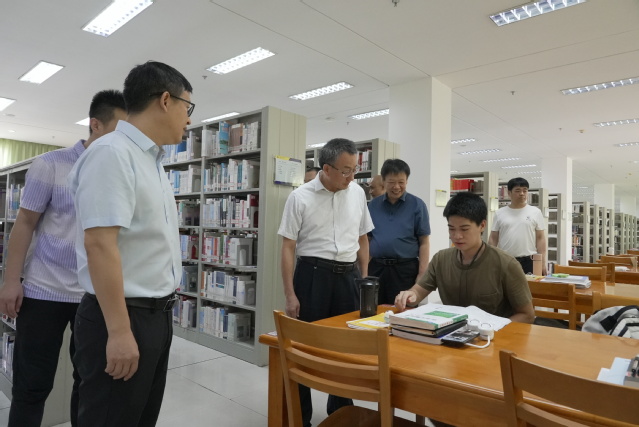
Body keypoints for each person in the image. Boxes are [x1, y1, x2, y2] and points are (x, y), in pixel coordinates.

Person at [68, 61, 192, 427]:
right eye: (188, 107)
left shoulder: (151, 161)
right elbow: (99, 245)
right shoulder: (112, 153)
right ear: (165, 100)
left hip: (154, 317)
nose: (189, 119)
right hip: (123, 318)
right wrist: (120, 332)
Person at [0, 90, 126, 427]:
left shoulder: (119, 171)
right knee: (31, 385)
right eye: (120, 130)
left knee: (89, 385)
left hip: (94, 295)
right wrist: (11, 281)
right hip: (44, 291)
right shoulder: (51, 165)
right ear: (95, 125)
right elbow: (25, 223)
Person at [278, 138, 374, 427]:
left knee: (345, 348)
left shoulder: (357, 193)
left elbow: (363, 238)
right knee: (303, 348)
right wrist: (290, 294)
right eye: (346, 171)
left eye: (354, 169)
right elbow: (288, 247)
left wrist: (364, 279)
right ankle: (301, 418)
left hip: (348, 277)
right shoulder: (300, 197)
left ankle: (340, 411)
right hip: (312, 276)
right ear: (327, 168)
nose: (351, 177)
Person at [395, 192, 535, 324]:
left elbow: (527, 315)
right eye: (451, 228)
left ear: (482, 225)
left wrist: (493, 329)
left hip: (491, 336)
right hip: (450, 333)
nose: (457, 236)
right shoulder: (441, 259)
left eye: (464, 229)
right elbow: (419, 291)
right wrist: (410, 295)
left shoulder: (506, 264)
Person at [368, 159, 430, 304]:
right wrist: (364, 271)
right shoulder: (373, 206)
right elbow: (367, 239)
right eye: (391, 182)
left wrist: (422, 274)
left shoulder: (417, 205)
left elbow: (424, 242)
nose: (396, 187)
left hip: (405, 270)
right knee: (373, 309)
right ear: (383, 181)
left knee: (403, 310)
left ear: (407, 181)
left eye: (401, 182)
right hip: (377, 269)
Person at [488, 177, 547, 275]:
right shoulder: (499, 213)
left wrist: (543, 262)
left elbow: (540, 238)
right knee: (505, 285)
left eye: (525, 190)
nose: (522, 193)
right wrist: (490, 260)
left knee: (529, 285)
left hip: (529, 260)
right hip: (506, 259)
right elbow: (493, 239)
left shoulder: (536, 212)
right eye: (518, 190)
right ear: (509, 193)